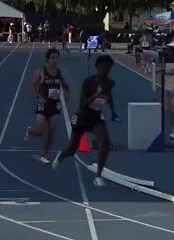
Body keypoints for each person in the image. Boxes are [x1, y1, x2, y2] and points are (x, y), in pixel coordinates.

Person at [53, 55, 120, 186]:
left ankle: (99, 176)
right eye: (103, 68)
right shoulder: (89, 82)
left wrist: (113, 111)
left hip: (96, 118)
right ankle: (61, 155)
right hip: (82, 117)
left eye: (108, 69)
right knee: (72, 149)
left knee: (105, 141)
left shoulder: (110, 82)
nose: (106, 72)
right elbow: (82, 104)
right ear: (97, 68)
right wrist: (96, 94)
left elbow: (109, 96)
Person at [24, 48, 70, 164]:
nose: (55, 60)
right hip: (43, 105)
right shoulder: (41, 71)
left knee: (51, 132)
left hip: (54, 105)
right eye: (52, 58)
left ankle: (44, 154)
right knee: (40, 131)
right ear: (47, 59)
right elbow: (32, 85)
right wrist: (38, 96)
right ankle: (30, 131)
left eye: (56, 58)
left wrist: (66, 95)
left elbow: (65, 86)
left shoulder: (59, 72)